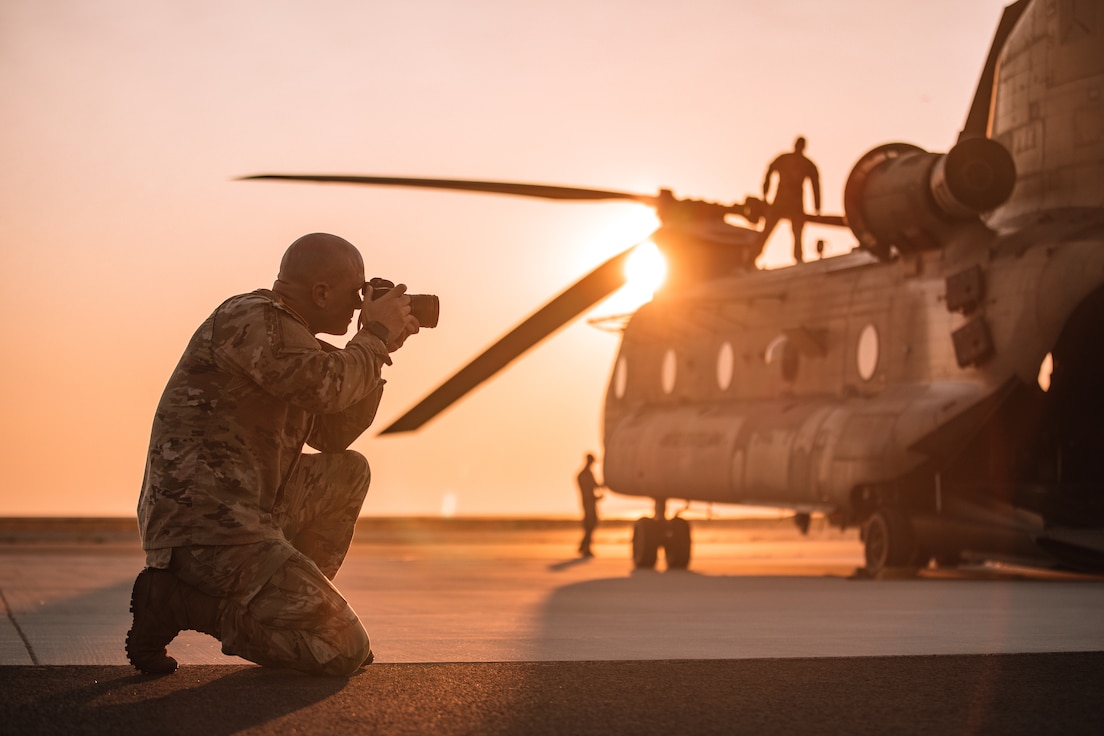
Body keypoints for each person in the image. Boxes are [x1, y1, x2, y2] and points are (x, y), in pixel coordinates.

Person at [126, 232, 420, 677]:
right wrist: (374, 336)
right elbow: (327, 385)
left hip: (247, 516)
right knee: (341, 650)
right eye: (355, 293)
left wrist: (377, 353)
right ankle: (182, 605)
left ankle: (298, 616)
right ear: (321, 292)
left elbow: (332, 433)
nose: (360, 305)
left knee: (347, 472)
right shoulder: (254, 319)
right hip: (206, 530)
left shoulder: (294, 338)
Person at [758, 136, 822, 263]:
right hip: (780, 200)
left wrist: (817, 206)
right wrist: (765, 193)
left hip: (796, 202)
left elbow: (816, 185)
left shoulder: (807, 164)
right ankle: (751, 257)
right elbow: (769, 171)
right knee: (768, 229)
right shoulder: (784, 159)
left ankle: (798, 257)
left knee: (797, 231)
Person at [576, 453, 604, 557]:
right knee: (590, 525)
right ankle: (585, 547)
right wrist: (596, 498)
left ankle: (584, 545)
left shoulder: (587, 474)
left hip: (590, 502)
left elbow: (595, 486)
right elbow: (588, 491)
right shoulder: (584, 475)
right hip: (588, 503)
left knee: (591, 525)